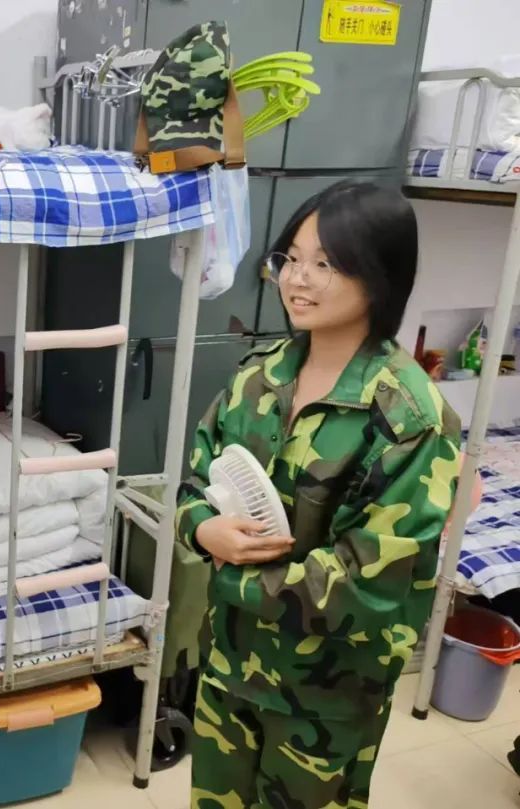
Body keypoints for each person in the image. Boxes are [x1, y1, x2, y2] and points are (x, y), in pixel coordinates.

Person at [176, 182, 462, 808]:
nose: (297, 279)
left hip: (326, 697)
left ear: (379, 275)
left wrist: (228, 576)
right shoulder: (260, 375)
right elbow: (197, 477)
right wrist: (201, 527)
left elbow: (368, 585)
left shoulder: (409, 419)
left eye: (326, 264)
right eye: (291, 258)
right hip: (230, 665)